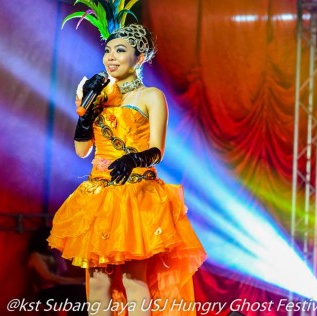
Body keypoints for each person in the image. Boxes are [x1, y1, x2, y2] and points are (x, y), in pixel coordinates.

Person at [47, 3, 207, 315]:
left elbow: (158, 150)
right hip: (98, 195)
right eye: (107, 51)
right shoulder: (96, 96)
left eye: (120, 50)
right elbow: (82, 150)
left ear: (140, 57)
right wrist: (85, 112)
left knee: (135, 281)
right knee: (97, 282)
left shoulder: (151, 97)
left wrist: (133, 160)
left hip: (137, 195)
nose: (111, 57)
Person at [28, 227, 87, 315]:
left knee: (84, 293)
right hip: (46, 293)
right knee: (80, 293)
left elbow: (64, 273)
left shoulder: (52, 255)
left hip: (59, 290)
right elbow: (48, 277)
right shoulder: (35, 256)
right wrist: (75, 281)